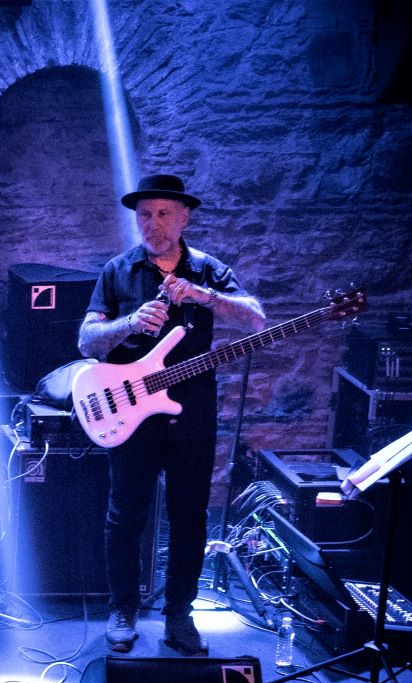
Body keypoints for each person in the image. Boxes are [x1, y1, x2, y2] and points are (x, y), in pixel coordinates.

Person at [78, 175, 265, 656]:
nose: (153, 223)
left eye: (163, 213)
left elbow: (255, 318)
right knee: (125, 515)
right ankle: (122, 609)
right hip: (132, 412)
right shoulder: (118, 272)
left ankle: (179, 613)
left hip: (193, 410)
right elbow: (86, 341)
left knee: (190, 517)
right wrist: (129, 322)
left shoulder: (208, 270)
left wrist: (205, 296)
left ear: (184, 218)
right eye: (145, 214)